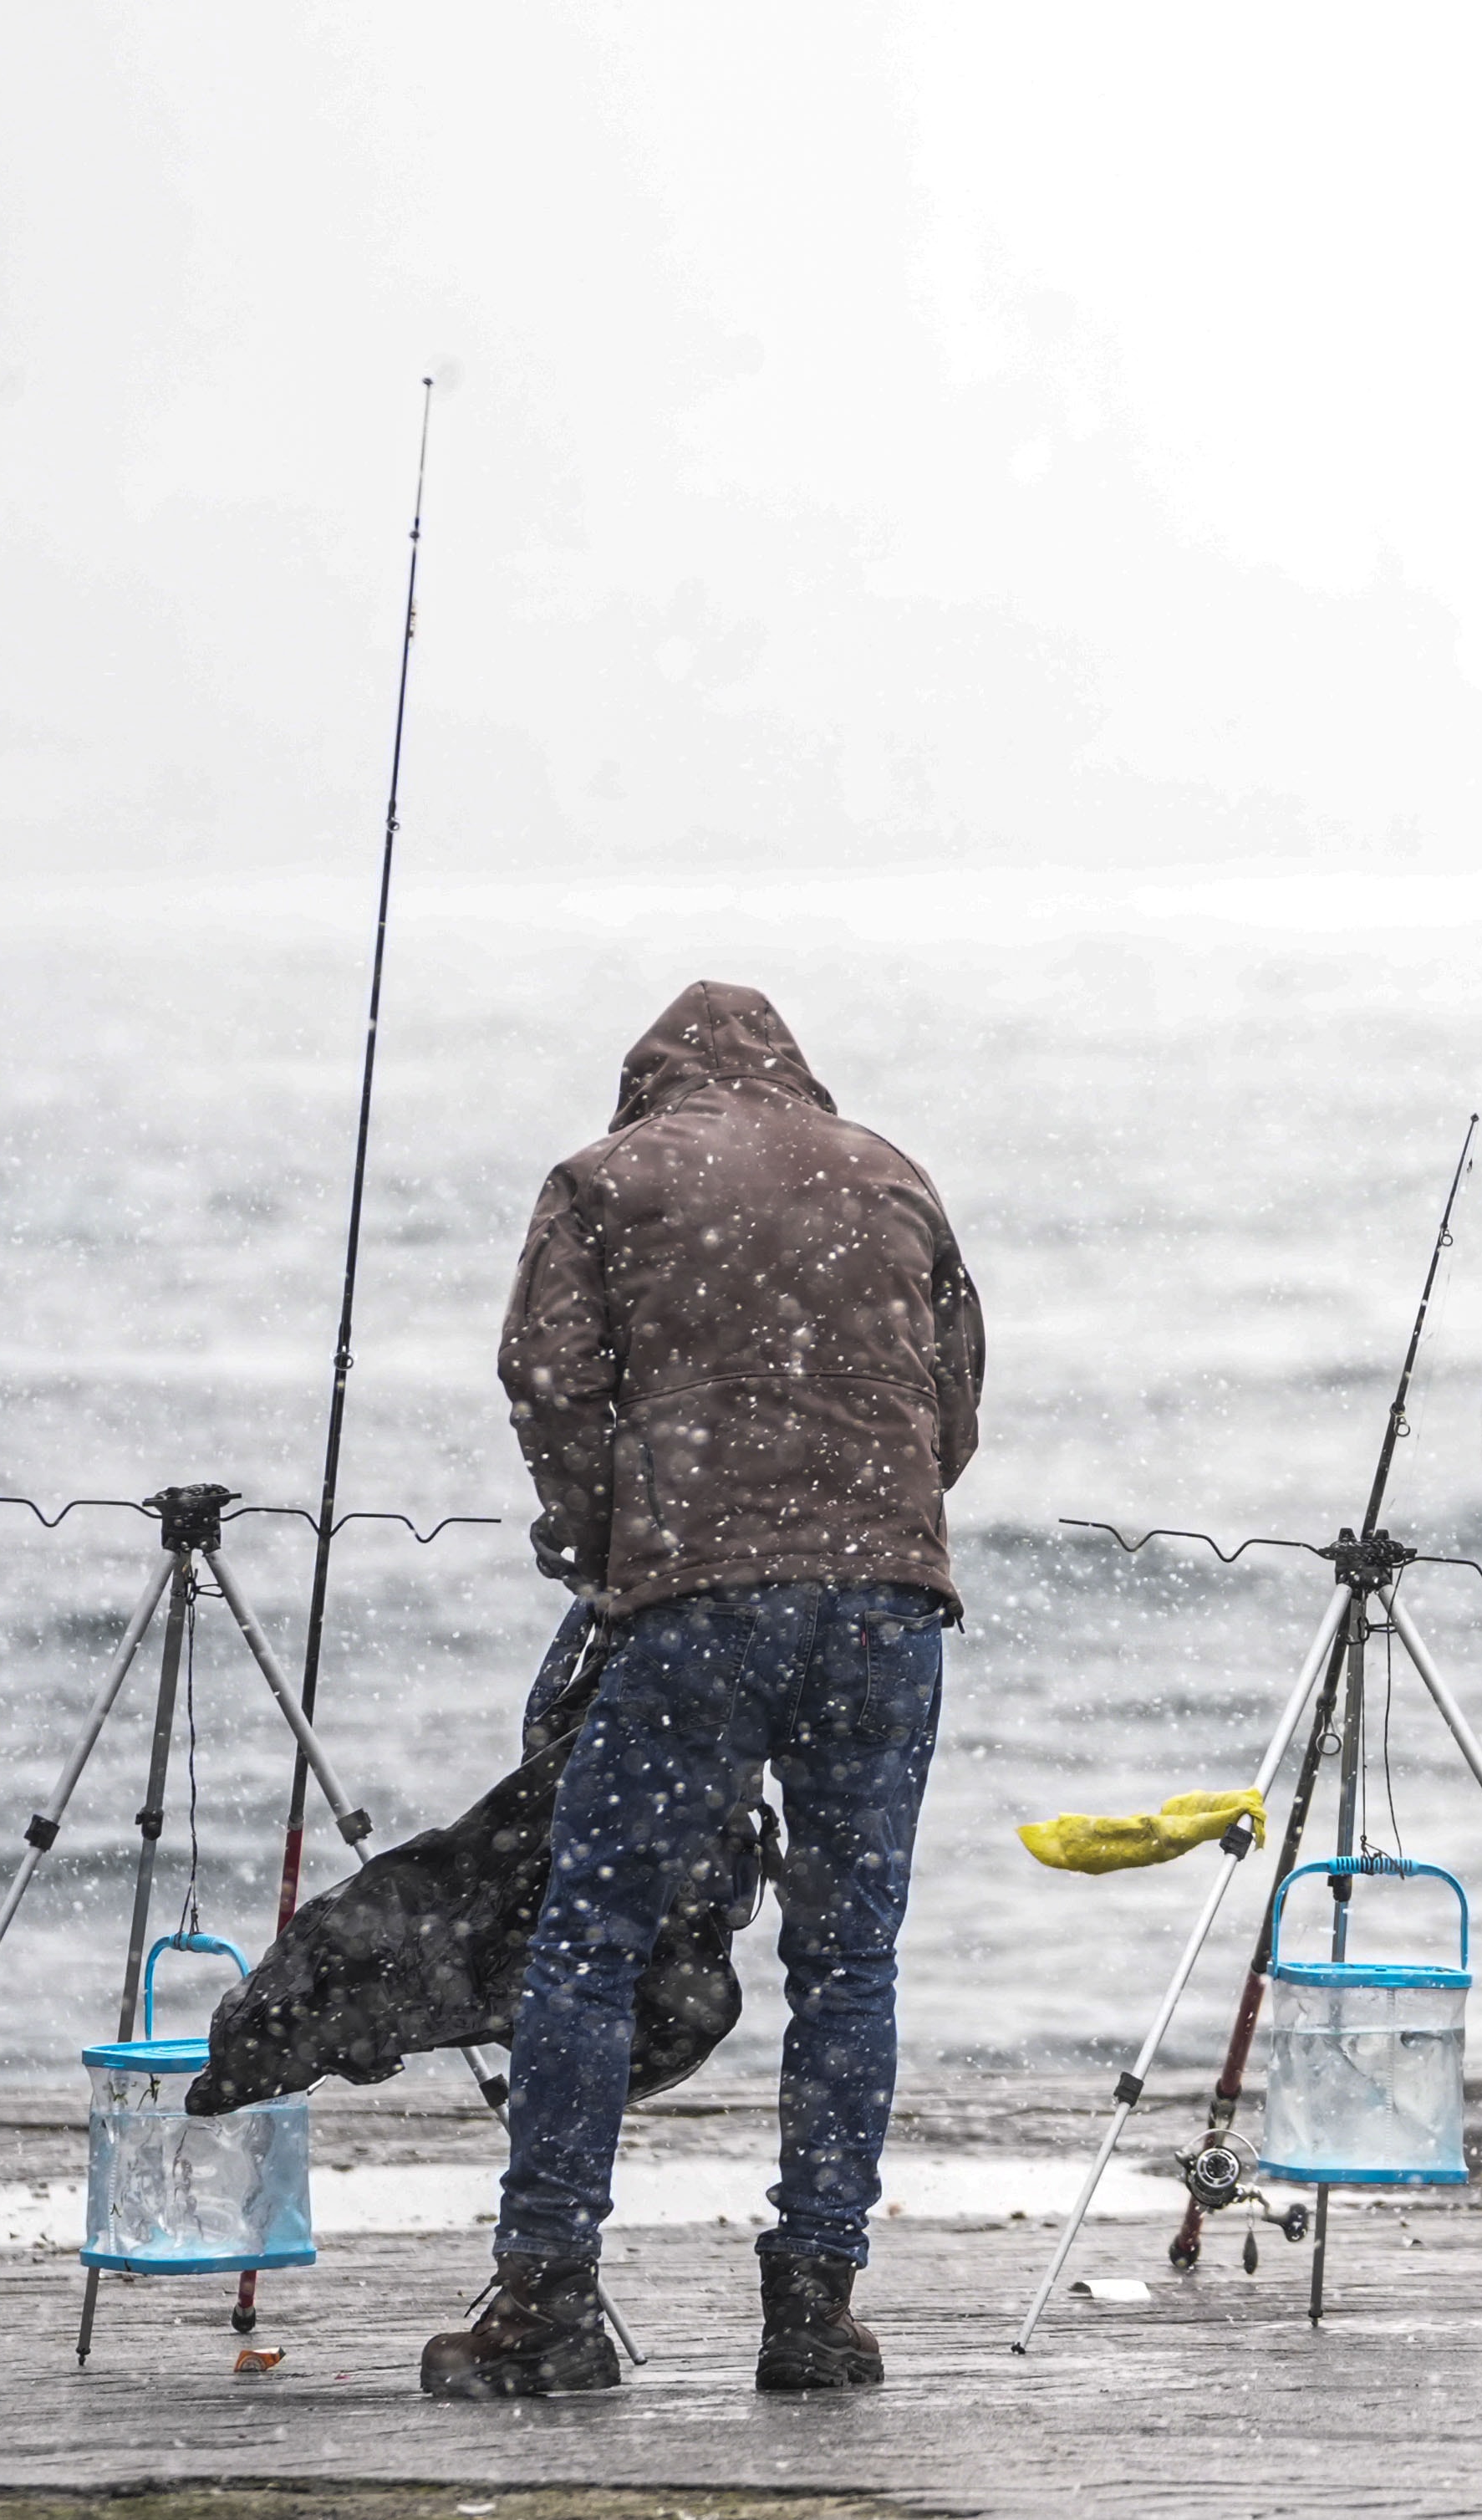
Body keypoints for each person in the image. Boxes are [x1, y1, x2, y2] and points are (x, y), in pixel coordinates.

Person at [421, 980, 984, 2400]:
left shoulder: (606, 1177)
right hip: (885, 1605)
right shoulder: (890, 1168)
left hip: (696, 1605)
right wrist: (864, 1527)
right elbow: (955, 1395)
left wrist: (602, 1532)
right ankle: (813, 2305)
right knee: (848, 1958)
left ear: (647, 1084)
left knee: (590, 1939)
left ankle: (546, 2293)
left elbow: (544, 1372)